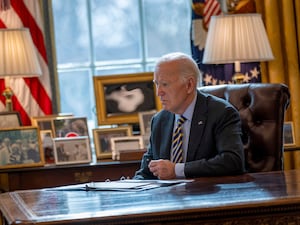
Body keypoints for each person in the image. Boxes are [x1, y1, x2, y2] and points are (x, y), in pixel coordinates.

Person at [133, 52, 245, 180]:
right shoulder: (159, 121)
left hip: (207, 195)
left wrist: (177, 170)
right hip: (168, 197)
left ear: (189, 85)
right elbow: (147, 172)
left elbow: (232, 161)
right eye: (156, 84)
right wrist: (127, 188)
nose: (159, 92)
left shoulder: (221, 113)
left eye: (165, 84)